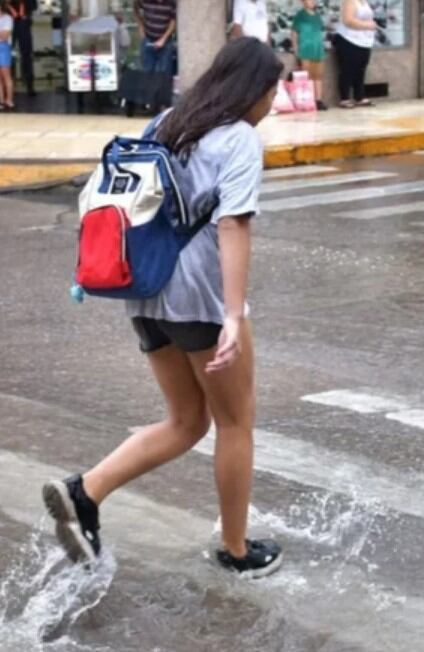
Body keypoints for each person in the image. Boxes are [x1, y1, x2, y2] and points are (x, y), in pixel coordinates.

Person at [42, 36, 286, 579]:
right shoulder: (239, 139)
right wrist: (233, 314)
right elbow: (233, 224)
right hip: (198, 296)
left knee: (185, 420)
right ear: (254, 90)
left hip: (144, 292)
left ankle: (85, 492)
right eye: (273, 90)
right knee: (236, 422)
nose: (273, 102)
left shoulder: (169, 121)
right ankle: (237, 550)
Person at [332, 0, 375, 109]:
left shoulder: (364, 2)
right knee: (348, 69)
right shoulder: (350, 1)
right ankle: (344, 98)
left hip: (364, 41)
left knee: (361, 69)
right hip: (349, 39)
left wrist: (371, 25)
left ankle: (359, 96)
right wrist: (368, 25)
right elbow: (348, 21)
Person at [291, 0, 326, 110]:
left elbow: (320, 31)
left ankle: (318, 100)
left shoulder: (317, 16)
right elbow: (294, 32)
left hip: (318, 50)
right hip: (305, 50)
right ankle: (308, 100)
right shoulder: (300, 15)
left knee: (318, 76)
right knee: (307, 76)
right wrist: (296, 49)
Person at [133, 0, 175, 75]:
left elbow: (173, 21)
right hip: (148, 40)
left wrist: (163, 39)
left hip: (166, 44)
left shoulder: (171, 2)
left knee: (163, 75)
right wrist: (141, 27)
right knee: (146, 72)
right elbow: (135, 9)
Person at [9, 0, 35, 96]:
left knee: (26, 55)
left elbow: (32, 7)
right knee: (9, 55)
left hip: (24, 24)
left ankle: (29, 85)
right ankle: (10, 86)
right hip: (10, 23)